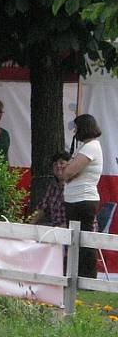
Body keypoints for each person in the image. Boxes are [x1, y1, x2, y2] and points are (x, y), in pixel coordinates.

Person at [61, 113, 103, 278]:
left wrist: (70, 171)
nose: (75, 132)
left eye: (77, 128)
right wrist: (70, 172)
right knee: (75, 240)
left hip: (83, 199)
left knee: (85, 240)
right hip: (75, 199)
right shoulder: (84, 147)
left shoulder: (91, 147)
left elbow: (68, 172)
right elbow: (67, 172)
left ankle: (88, 276)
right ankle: (77, 273)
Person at [27, 151, 69, 227]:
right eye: (55, 164)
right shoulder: (52, 187)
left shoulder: (74, 186)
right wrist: (28, 226)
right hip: (54, 229)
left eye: (62, 163)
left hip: (71, 230)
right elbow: (41, 208)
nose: (58, 166)